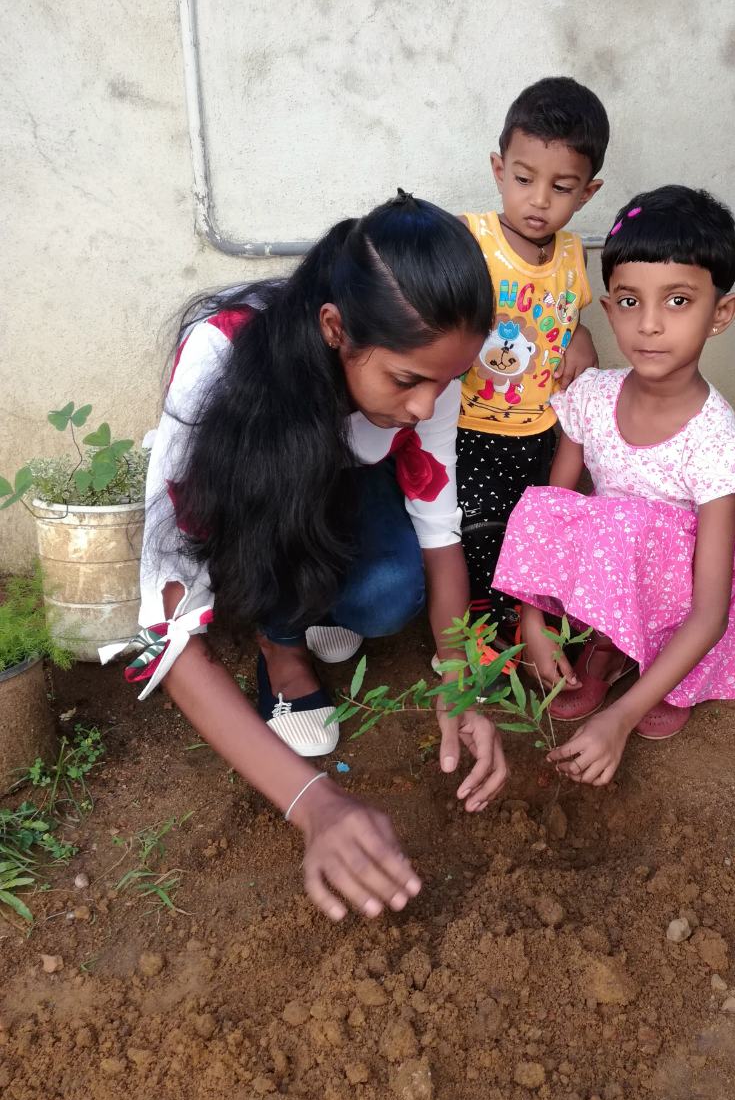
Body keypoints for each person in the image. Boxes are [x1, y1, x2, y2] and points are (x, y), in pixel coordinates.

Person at [107, 193, 510, 921]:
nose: (428, 406)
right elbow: (168, 632)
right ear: (334, 328)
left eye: (447, 382)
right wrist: (313, 801)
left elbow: (439, 527)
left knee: (389, 593)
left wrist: (461, 683)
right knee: (277, 544)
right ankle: (280, 645)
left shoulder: (428, 364)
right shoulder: (222, 360)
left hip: (350, 474)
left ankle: (319, 600)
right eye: (407, 381)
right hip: (259, 479)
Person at [493, 185, 735, 786]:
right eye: (627, 300)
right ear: (608, 307)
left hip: (683, 605)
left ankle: (655, 675)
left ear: (720, 313)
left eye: (677, 301)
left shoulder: (713, 438)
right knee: (544, 503)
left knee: (625, 521)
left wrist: (620, 718)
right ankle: (609, 645)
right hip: (619, 573)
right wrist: (533, 623)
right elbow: (552, 515)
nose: (649, 324)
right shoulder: (593, 395)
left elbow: (711, 612)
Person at [456, 77, 609, 639]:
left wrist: (580, 333)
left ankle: (523, 618)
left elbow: (561, 316)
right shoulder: (469, 240)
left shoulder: (572, 253)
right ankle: (479, 628)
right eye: (524, 180)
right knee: (478, 530)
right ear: (500, 171)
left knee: (531, 528)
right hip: (472, 424)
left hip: (543, 429)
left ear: (587, 192)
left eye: (561, 187)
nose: (540, 200)